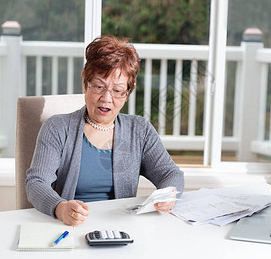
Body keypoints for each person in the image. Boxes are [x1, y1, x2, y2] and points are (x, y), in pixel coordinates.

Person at [25, 35, 184, 226]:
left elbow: (170, 174)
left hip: (121, 231)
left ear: (127, 93)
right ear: (85, 83)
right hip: (70, 227)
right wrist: (60, 208)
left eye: (117, 90)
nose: (107, 98)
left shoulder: (140, 130)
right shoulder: (57, 128)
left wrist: (168, 195)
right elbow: (36, 183)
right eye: (99, 86)